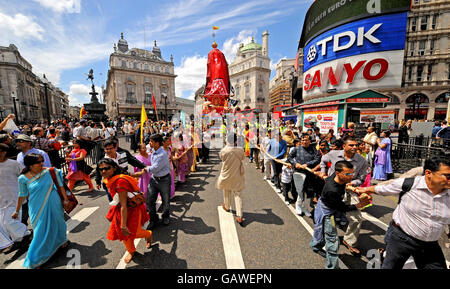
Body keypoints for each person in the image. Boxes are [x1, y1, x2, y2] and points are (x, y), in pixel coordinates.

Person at [357, 157, 450, 269]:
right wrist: (364, 190)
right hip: (401, 239)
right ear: (428, 173)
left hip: (430, 244)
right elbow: (383, 189)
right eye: (447, 176)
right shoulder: (409, 185)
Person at [310, 161, 371, 269]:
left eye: (352, 173)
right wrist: (358, 205)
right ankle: (332, 266)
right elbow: (341, 208)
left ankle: (315, 246)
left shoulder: (336, 177)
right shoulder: (332, 190)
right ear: (338, 173)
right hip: (327, 214)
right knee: (332, 241)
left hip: (330, 208)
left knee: (323, 234)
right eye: (348, 174)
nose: (351, 177)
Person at [14, 153, 70, 269]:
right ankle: (35, 259)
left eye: (42, 161)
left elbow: (60, 186)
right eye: (38, 162)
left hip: (54, 202)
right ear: (29, 165)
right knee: (40, 231)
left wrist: (65, 199)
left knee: (58, 222)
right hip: (36, 206)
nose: (41, 164)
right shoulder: (22, 178)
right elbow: (22, 195)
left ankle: (61, 240)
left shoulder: (50, 171)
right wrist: (17, 210)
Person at [319, 137, 368, 255]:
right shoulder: (333, 154)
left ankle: (349, 241)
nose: (354, 147)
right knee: (328, 215)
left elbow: (361, 179)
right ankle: (321, 241)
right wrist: (322, 170)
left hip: (348, 189)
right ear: (344, 146)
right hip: (333, 189)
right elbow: (323, 160)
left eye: (356, 145)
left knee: (356, 218)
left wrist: (353, 183)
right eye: (351, 145)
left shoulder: (362, 161)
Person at [100, 158, 152, 264]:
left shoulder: (119, 182)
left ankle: (148, 234)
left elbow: (123, 204)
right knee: (125, 235)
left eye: (107, 168)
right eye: (101, 169)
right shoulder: (109, 179)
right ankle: (131, 251)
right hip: (120, 209)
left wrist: (123, 226)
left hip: (132, 209)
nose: (103, 171)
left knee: (135, 232)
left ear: (114, 168)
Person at [0, 144, 31, 253]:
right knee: (4, 224)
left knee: (10, 222)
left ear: (4, 152)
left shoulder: (14, 164)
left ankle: (27, 235)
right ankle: (19, 241)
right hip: (1, 199)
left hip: (15, 197)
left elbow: (26, 178)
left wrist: (27, 193)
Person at [287, 134, 321, 216]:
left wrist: (307, 164)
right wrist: (295, 163)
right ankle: (298, 206)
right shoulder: (296, 149)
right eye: (302, 140)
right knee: (300, 191)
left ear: (310, 141)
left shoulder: (314, 150)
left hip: (310, 173)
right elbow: (289, 157)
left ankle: (305, 208)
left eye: (306, 140)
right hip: (299, 173)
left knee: (309, 192)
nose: (304, 142)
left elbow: (317, 159)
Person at [217, 133, 246, 225]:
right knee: (238, 194)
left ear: (227, 140)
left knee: (226, 190)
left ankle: (227, 206)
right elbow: (243, 158)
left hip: (227, 173)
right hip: (237, 174)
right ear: (236, 140)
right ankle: (239, 215)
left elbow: (222, 158)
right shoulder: (240, 150)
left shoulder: (223, 151)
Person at [144, 134, 172, 228]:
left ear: (157, 143)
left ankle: (165, 217)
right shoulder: (153, 151)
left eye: (151, 141)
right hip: (154, 179)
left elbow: (154, 168)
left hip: (164, 179)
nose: (149, 143)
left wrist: (145, 168)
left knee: (165, 200)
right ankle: (153, 219)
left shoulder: (162, 154)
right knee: (149, 200)